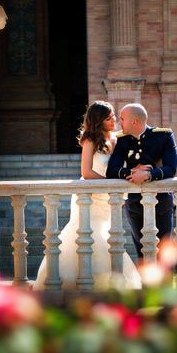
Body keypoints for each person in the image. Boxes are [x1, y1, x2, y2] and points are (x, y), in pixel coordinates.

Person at [33, 101, 141, 290]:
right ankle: (84, 281)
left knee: (108, 235)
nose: (114, 119)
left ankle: (109, 281)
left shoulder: (119, 139)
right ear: (99, 121)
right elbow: (87, 171)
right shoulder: (90, 140)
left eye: (113, 115)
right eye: (109, 118)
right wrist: (111, 184)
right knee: (89, 235)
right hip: (90, 197)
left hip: (108, 200)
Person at [105, 103, 177, 261]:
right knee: (142, 252)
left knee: (165, 251)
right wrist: (132, 172)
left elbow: (171, 168)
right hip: (135, 203)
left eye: (122, 119)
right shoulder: (123, 140)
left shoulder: (163, 136)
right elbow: (112, 170)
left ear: (134, 122)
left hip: (162, 201)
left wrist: (148, 175)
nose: (120, 123)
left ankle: (168, 285)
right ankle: (147, 285)